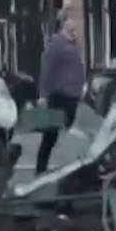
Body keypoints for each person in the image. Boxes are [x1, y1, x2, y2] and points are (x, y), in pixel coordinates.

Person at [35, 10, 85, 174]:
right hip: (58, 95)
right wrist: (43, 95)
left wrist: (82, 86)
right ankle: (40, 169)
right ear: (64, 23)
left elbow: (79, 67)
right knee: (51, 135)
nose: (75, 24)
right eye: (72, 21)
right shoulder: (56, 44)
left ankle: (69, 168)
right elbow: (46, 70)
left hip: (73, 95)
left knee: (69, 130)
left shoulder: (76, 43)